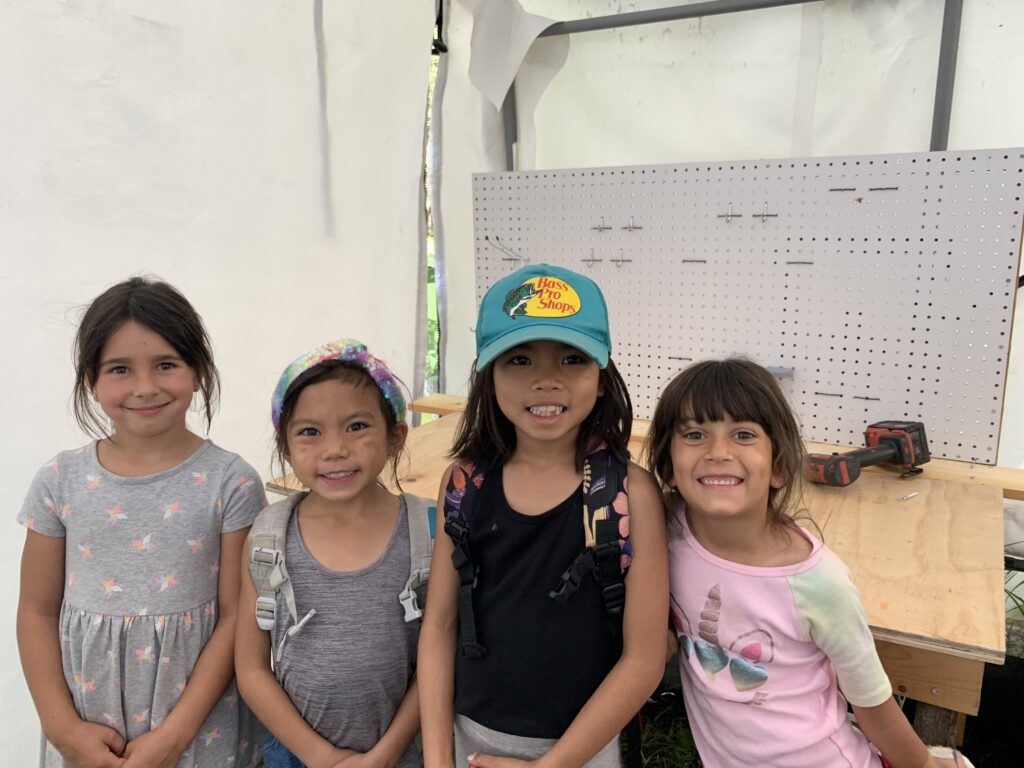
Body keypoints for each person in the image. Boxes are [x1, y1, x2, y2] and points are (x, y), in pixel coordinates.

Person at [643, 357, 972, 768]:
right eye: (694, 434)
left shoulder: (818, 584)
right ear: (668, 467)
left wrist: (924, 765)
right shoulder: (666, 532)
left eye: (743, 434)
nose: (717, 452)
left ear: (779, 467)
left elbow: (872, 704)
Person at [418, 263, 669, 768]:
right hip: (471, 744)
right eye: (520, 360)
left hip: (584, 751)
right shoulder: (464, 485)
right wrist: (437, 758)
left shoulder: (627, 494)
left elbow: (644, 659)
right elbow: (440, 626)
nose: (546, 380)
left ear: (602, 379)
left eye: (573, 358)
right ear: (488, 380)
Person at [17, 277, 267, 768]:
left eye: (166, 365)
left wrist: (175, 736)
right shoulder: (58, 480)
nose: (145, 387)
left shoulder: (232, 483)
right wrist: (62, 728)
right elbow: (36, 612)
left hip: (199, 726)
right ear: (91, 380)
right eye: (120, 369)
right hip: (89, 727)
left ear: (197, 371)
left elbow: (237, 616)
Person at [235, 339, 427, 768]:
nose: (335, 449)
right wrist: (320, 757)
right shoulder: (269, 538)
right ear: (285, 445)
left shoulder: (426, 534)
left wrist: (386, 754)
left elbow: (437, 660)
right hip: (295, 755)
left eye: (357, 426)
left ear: (395, 436)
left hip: (404, 754)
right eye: (310, 432)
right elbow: (250, 670)